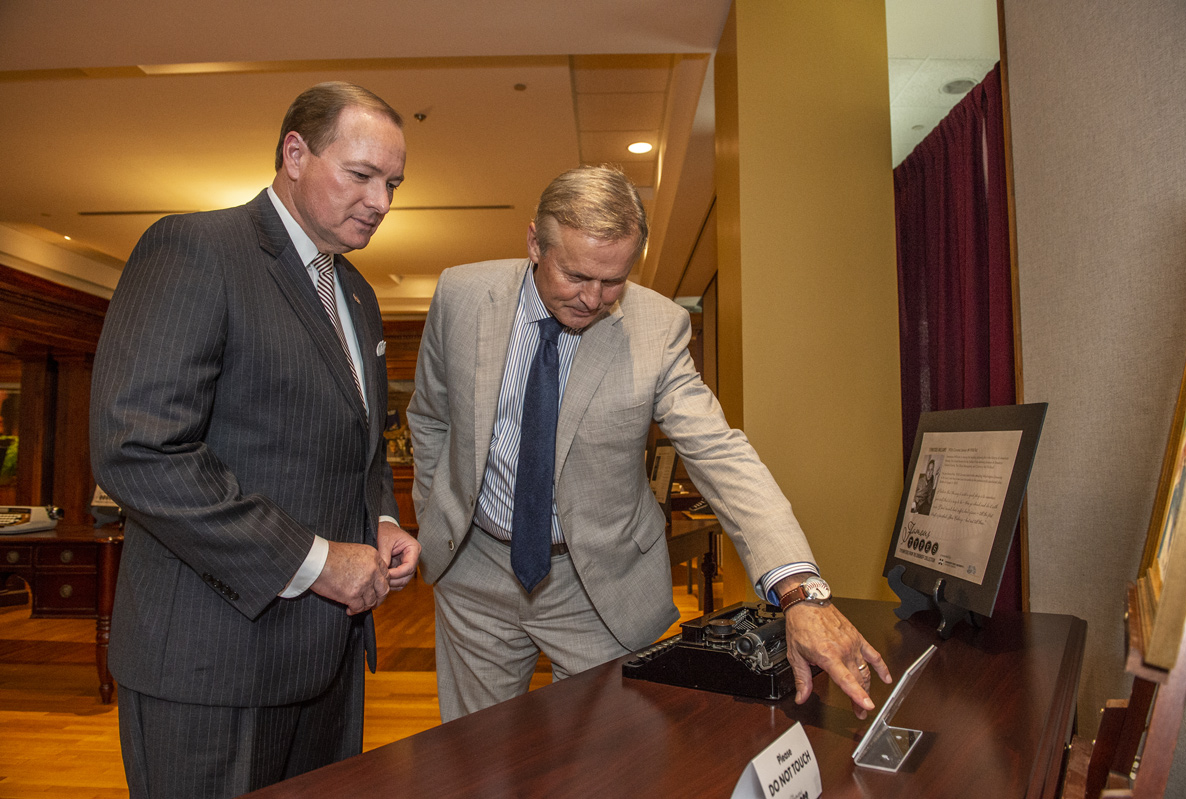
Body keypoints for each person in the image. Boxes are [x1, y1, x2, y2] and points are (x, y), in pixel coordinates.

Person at [408, 165, 891, 723]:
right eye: (576, 275)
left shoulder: (658, 327)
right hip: (476, 573)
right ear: (534, 243)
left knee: (606, 766)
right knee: (475, 760)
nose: (593, 299)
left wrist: (800, 591)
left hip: (598, 587)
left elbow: (718, 451)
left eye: (614, 281)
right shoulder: (462, 295)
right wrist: (435, 513)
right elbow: (429, 416)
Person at [90, 81, 421, 798]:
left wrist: (382, 519)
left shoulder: (357, 294)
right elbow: (139, 448)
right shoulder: (194, 249)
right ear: (295, 154)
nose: (381, 202)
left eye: (392, 183)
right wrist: (315, 560)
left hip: (330, 657)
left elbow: (357, 440)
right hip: (213, 663)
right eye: (361, 175)